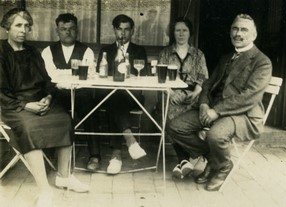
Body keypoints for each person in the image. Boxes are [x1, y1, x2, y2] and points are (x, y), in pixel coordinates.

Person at [167, 14, 272, 191]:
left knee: (215, 135)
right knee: (175, 126)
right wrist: (203, 104)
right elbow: (208, 84)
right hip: (212, 109)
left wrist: (216, 111)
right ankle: (215, 159)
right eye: (235, 29)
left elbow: (249, 97)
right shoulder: (226, 57)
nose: (238, 33)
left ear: (254, 35)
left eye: (244, 30)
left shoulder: (262, 62)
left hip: (243, 115)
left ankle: (223, 167)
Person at [0, 8, 89, 207]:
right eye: (18, 25)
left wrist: (48, 96)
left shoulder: (32, 52)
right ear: (7, 27)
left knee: (64, 119)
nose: (23, 30)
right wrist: (25, 104)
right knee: (29, 128)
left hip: (39, 101)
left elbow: (46, 81)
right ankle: (44, 190)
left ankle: (63, 176)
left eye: (27, 26)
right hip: (11, 105)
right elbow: (1, 91)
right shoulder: (1, 52)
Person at [92, 14, 149, 174]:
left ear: (132, 32)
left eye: (126, 30)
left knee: (116, 100)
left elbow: (143, 76)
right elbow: (100, 74)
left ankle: (116, 155)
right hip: (110, 96)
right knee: (114, 98)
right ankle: (129, 142)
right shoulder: (106, 50)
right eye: (119, 29)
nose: (122, 34)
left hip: (132, 97)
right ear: (114, 30)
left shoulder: (139, 50)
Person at [41, 13, 98, 171]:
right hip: (56, 93)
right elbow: (50, 77)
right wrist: (72, 75)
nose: (68, 32)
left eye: (72, 28)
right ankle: (48, 155)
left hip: (80, 93)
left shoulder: (86, 51)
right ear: (57, 31)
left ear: (77, 30)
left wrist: (62, 74)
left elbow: (87, 76)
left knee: (90, 107)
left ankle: (94, 155)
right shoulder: (48, 51)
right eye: (63, 29)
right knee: (50, 111)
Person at [157, 17, 208, 178]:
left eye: (184, 30)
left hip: (193, 96)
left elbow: (203, 78)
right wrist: (171, 93)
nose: (181, 34)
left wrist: (196, 93)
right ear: (173, 33)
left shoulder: (198, 54)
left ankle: (185, 161)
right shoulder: (165, 53)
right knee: (170, 116)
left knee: (182, 120)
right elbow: (160, 76)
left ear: (190, 33)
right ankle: (185, 160)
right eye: (177, 30)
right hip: (171, 94)